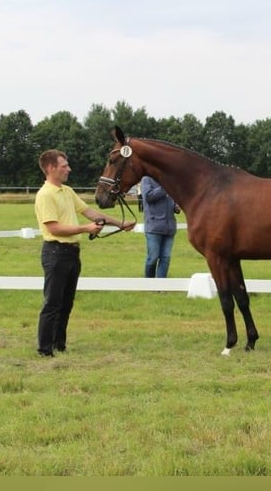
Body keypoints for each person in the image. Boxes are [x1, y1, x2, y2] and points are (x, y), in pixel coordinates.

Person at [34, 149, 135, 357]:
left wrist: (120, 223)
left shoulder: (67, 191)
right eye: (64, 166)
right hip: (55, 251)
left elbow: (91, 213)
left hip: (71, 253)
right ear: (51, 168)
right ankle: (45, 349)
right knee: (52, 303)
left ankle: (58, 344)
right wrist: (85, 229)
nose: (68, 169)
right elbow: (54, 228)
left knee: (66, 302)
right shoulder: (45, 195)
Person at [141, 175, 179, 278]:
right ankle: (149, 284)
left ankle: (161, 286)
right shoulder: (147, 179)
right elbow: (148, 196)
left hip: (169, 227)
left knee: (166, 258)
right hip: (154, 226)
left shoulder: (170, 181)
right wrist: (166, 187)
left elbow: (173, 200)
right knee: (152, 258)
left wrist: (176, 206)